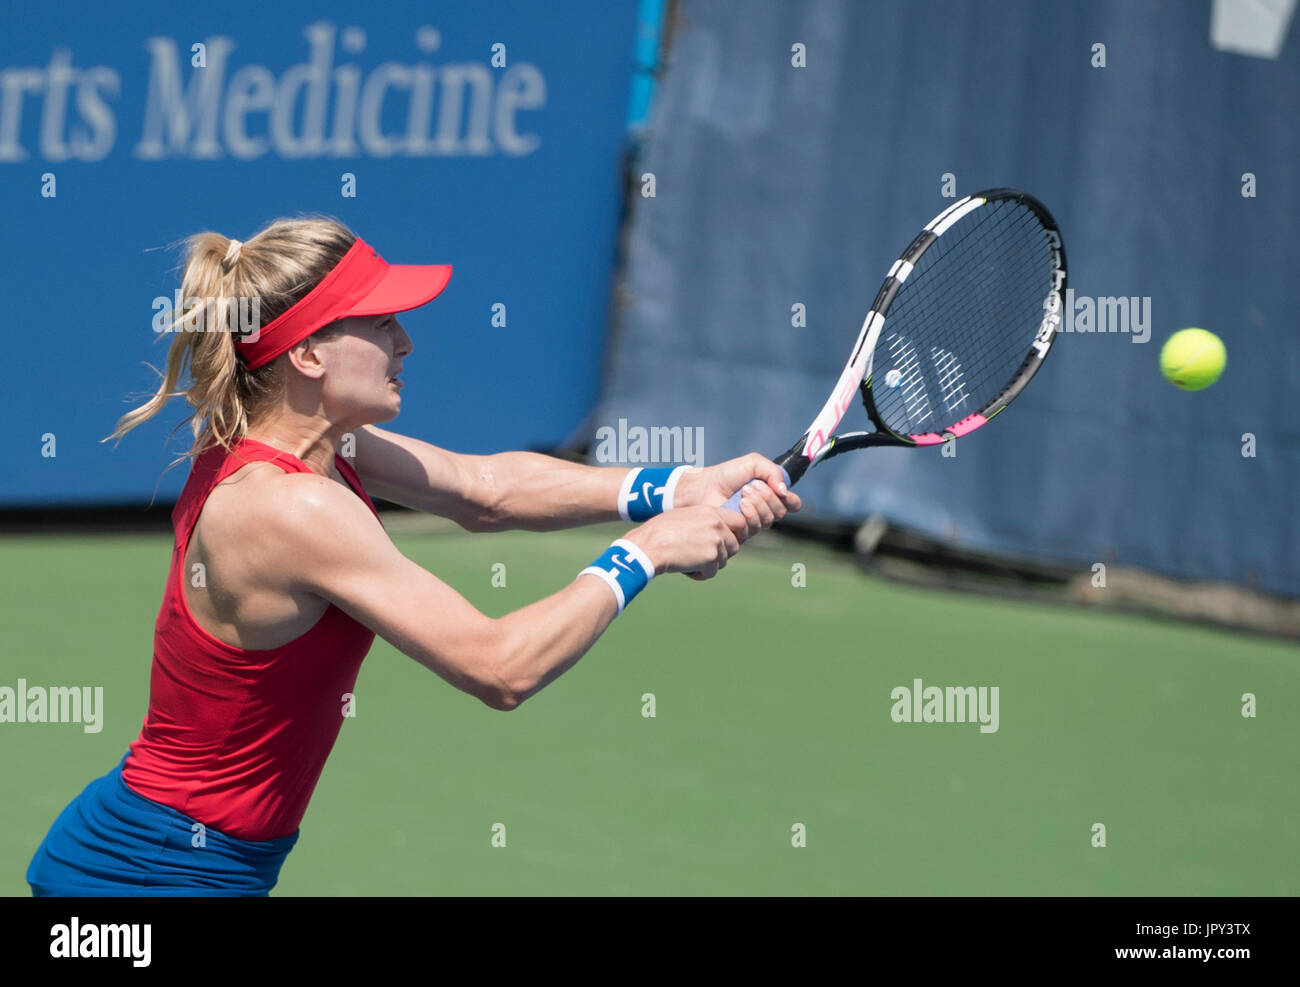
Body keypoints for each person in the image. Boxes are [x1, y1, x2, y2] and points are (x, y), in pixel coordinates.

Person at [26, 216, 801, 896]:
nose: (405, 340)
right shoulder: (290, 506)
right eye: (379, 322)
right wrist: (647, 551)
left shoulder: (305, 445)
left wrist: (675, 485)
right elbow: (501, 667)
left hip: (182, 862)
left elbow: (483, 488)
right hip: (147, 875)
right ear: (309, 355)